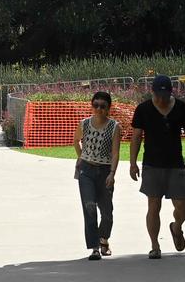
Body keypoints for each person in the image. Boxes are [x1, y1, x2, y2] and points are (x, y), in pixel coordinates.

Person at [129, 74, 185, 259]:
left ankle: (176, 226)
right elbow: (136, 137)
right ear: (152, 92)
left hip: (175, 164)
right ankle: (155, 246)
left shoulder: (180, 107)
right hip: (152, 164)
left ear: (171, 92)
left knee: (182, 206)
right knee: (153, 205)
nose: (161, 99)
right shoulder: (143, 109)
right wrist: (133, 163)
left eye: (165, 95)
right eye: (158, 95)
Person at [74, 91, 121, 260]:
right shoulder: (84, 123)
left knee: (107, 211)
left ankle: (104, 239)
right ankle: (94, 247)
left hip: (105, 171)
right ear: (92, 105)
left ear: (108, 108)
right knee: (89, 207)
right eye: (96, 105)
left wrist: (112, 173)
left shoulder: (115, 127)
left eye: (103, 106)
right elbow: (76, 141)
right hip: (86, 171)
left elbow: (115, 153)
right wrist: (81, 157)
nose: (99, 109)